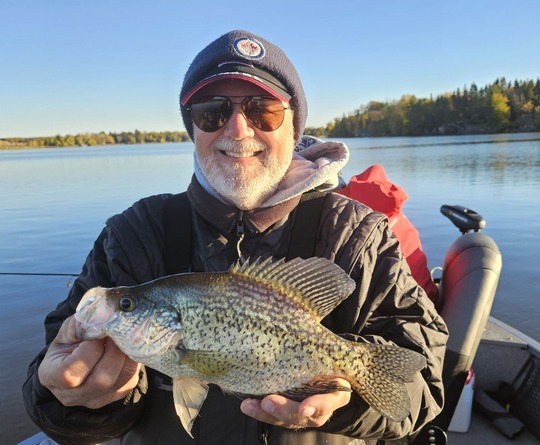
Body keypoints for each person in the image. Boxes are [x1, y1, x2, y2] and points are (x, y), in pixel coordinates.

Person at [23, 30, 448, 445]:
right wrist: (76, 401)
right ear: (194, 128)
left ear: (294, 127)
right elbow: (57, 396)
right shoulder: (133, 234)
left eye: (263, 110)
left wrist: (348, 400)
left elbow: (422, 390)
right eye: (213, 111)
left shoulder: (358, 235)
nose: (238, 129)